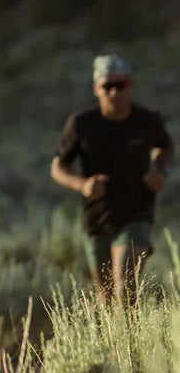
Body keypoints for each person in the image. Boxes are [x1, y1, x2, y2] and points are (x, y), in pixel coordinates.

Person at [50, 54, 174, 305]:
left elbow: (166, 148)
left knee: (125, 290)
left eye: (122, 85)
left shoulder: (146, 121)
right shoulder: (82, 124)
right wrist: (82, 185)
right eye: (108, 86)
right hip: (97, 218)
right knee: (106, 299)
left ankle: (131, 343)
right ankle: (116, 343)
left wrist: (161, 171)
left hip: (136, 212)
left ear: (130, 85)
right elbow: (58, 166)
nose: (115, 92)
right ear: (97, 88)